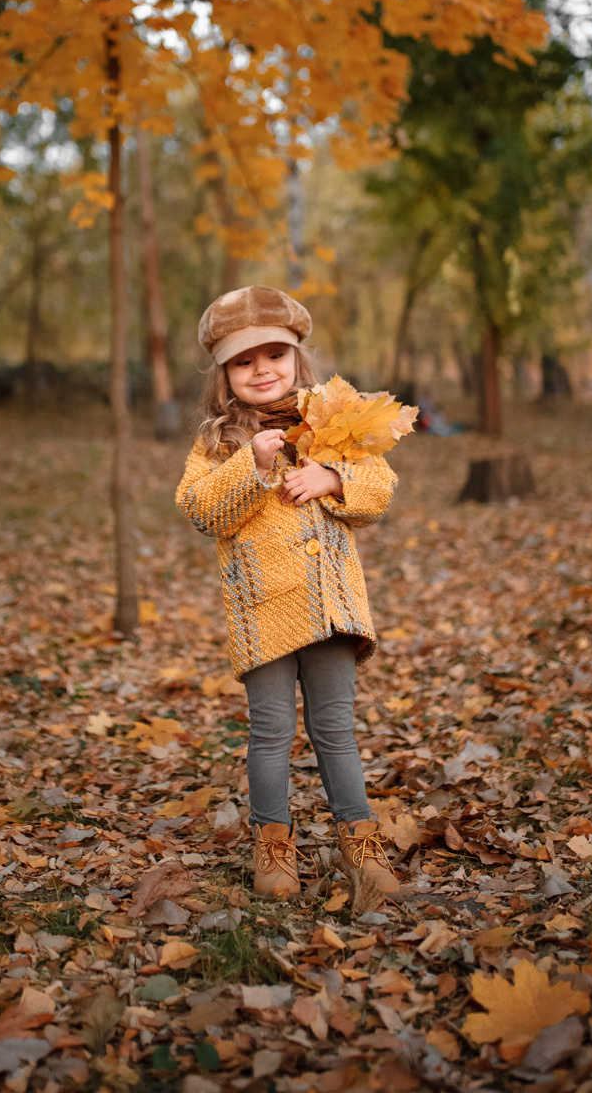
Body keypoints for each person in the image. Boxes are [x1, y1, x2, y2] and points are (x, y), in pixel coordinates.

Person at [175, 285, 400, 906]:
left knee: (335, 730)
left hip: (330, 607)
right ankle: (273, 844)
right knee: (270, 734)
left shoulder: (329, 425)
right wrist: (250, 465)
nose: (261, 370)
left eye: (274, 355)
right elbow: (199, 510)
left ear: (298, 359)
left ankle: (360, 843)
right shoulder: (217, 443)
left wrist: (333, 476)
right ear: (224, 377)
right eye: (244, 362)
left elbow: (378, 487)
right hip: (263, 614)